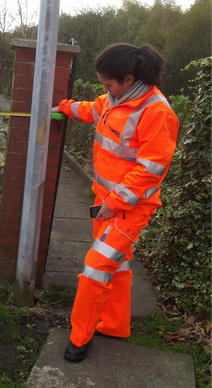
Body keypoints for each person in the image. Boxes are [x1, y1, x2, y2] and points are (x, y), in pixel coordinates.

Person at [51, 43, 179, 362]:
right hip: (106, 200)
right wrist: (64, 107)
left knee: (96, 268)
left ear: (128, 79)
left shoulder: (157, 113)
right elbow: (91, 109)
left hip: (128, 208)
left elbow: (150, 171)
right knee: (117, 266)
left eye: (108, 84)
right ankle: (114, 326)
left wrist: (115, 201)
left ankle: (80, 337)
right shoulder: (115, 98)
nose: (104, 90)